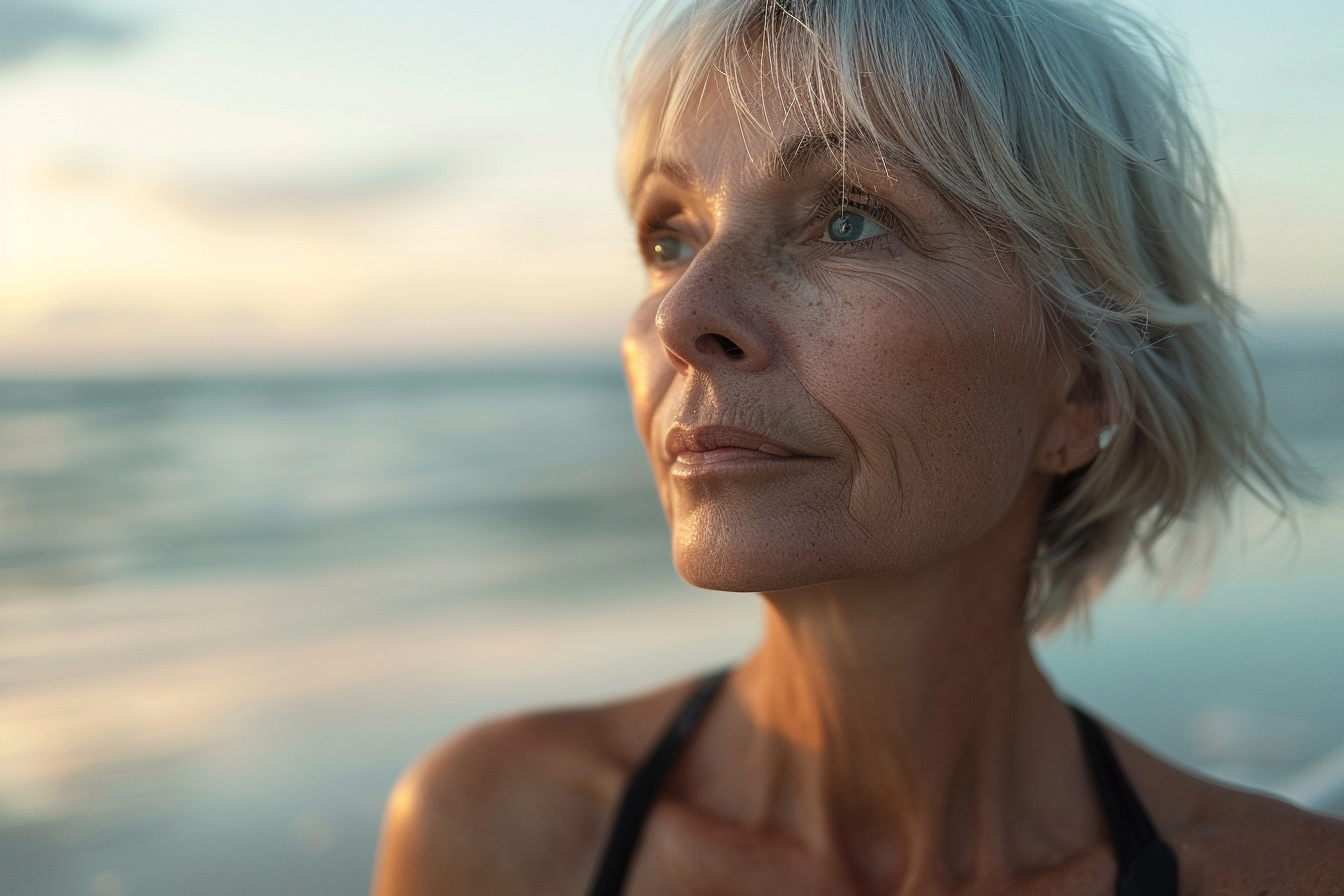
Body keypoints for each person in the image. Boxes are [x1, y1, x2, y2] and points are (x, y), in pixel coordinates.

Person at [371, 0, 1344, 892]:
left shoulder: (1279, 875)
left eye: (847, 218)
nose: (685, 312)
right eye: (671, 237)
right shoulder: (502, 832)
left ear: (1082, 380)